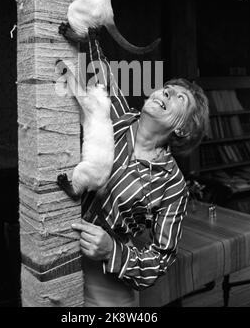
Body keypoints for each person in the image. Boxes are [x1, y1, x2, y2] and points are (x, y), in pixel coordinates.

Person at [63, 27, 209, 307]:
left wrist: (111, 252)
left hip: (106, 282)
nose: (166, 93)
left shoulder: (173, 185)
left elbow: (161, 259)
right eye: (167, 89)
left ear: (183, 129)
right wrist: (89, 25)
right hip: (58, 252)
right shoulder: (114, 118)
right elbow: (98, 66)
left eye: (180, 99)